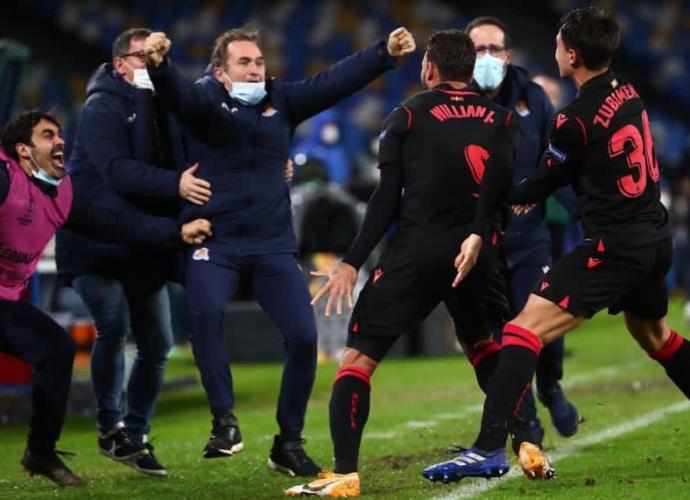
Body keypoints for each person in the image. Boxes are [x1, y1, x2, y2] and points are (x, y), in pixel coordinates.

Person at [422, 7, 690, 483]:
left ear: (573, 54)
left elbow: (543, 182)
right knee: (656, 338)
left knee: (522, 331)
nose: (554, 49)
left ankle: (487, 448)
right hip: (655, 239)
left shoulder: (573, 118)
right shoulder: (627, 90)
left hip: (616, 247)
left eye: (560, 43)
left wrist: (496, 195)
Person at [140, 26, 416, 475]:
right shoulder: (204, 101)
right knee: (205, 314)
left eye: (259, 62)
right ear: (219, 71)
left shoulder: (280, 99)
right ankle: (224, 422)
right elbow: (176, 97)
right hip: (217, 241)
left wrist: (382, 53)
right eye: (244, 62)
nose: (255, 69)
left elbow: (332, 82)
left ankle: (287, 442)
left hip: (271, 245)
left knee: (305, 339)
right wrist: (161, 66)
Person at [285, 29, 521, 497]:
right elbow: (503, 195)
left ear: (429, 69)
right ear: (470, 70)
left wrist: (352, 261)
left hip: (419, 250)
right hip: (479, 251)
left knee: (357, 360)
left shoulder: (407, 116)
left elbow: (385, 201)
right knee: (484, 348)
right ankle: (527, 441)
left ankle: (344, 471)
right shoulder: (504, 119)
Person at [0, 110, 211, 487]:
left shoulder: (60, 191)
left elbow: (113, 224)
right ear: (23, 150)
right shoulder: (4, 179)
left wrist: (177, 232)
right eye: (48, 135)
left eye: (60, 134)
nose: (60, 141)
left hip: (6, 303)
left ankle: (40, 452)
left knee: (57, 350)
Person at [55, 27, 212, 476]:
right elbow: (121, 174)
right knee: (113, 323)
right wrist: (175, 185)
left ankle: (136, 433)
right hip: (94, 242)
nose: (151, 64)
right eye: (143, 57)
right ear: (120, 64)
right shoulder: (102, 106)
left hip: (142, 242)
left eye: (157, 56)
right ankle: (110, 426)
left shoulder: (159, 99)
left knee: (158, 342)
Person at [465, 16, 580, 445]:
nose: (487, 58)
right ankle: (526, 418)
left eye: (495, 49)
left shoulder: (532, 96)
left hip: (530, 237)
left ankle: (550, 385)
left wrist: (582, 214)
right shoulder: (453, 102)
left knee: (543, 327)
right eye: (478, 50)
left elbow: (557, 157)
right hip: (483, 242)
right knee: (503, 335)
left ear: (509, 55)